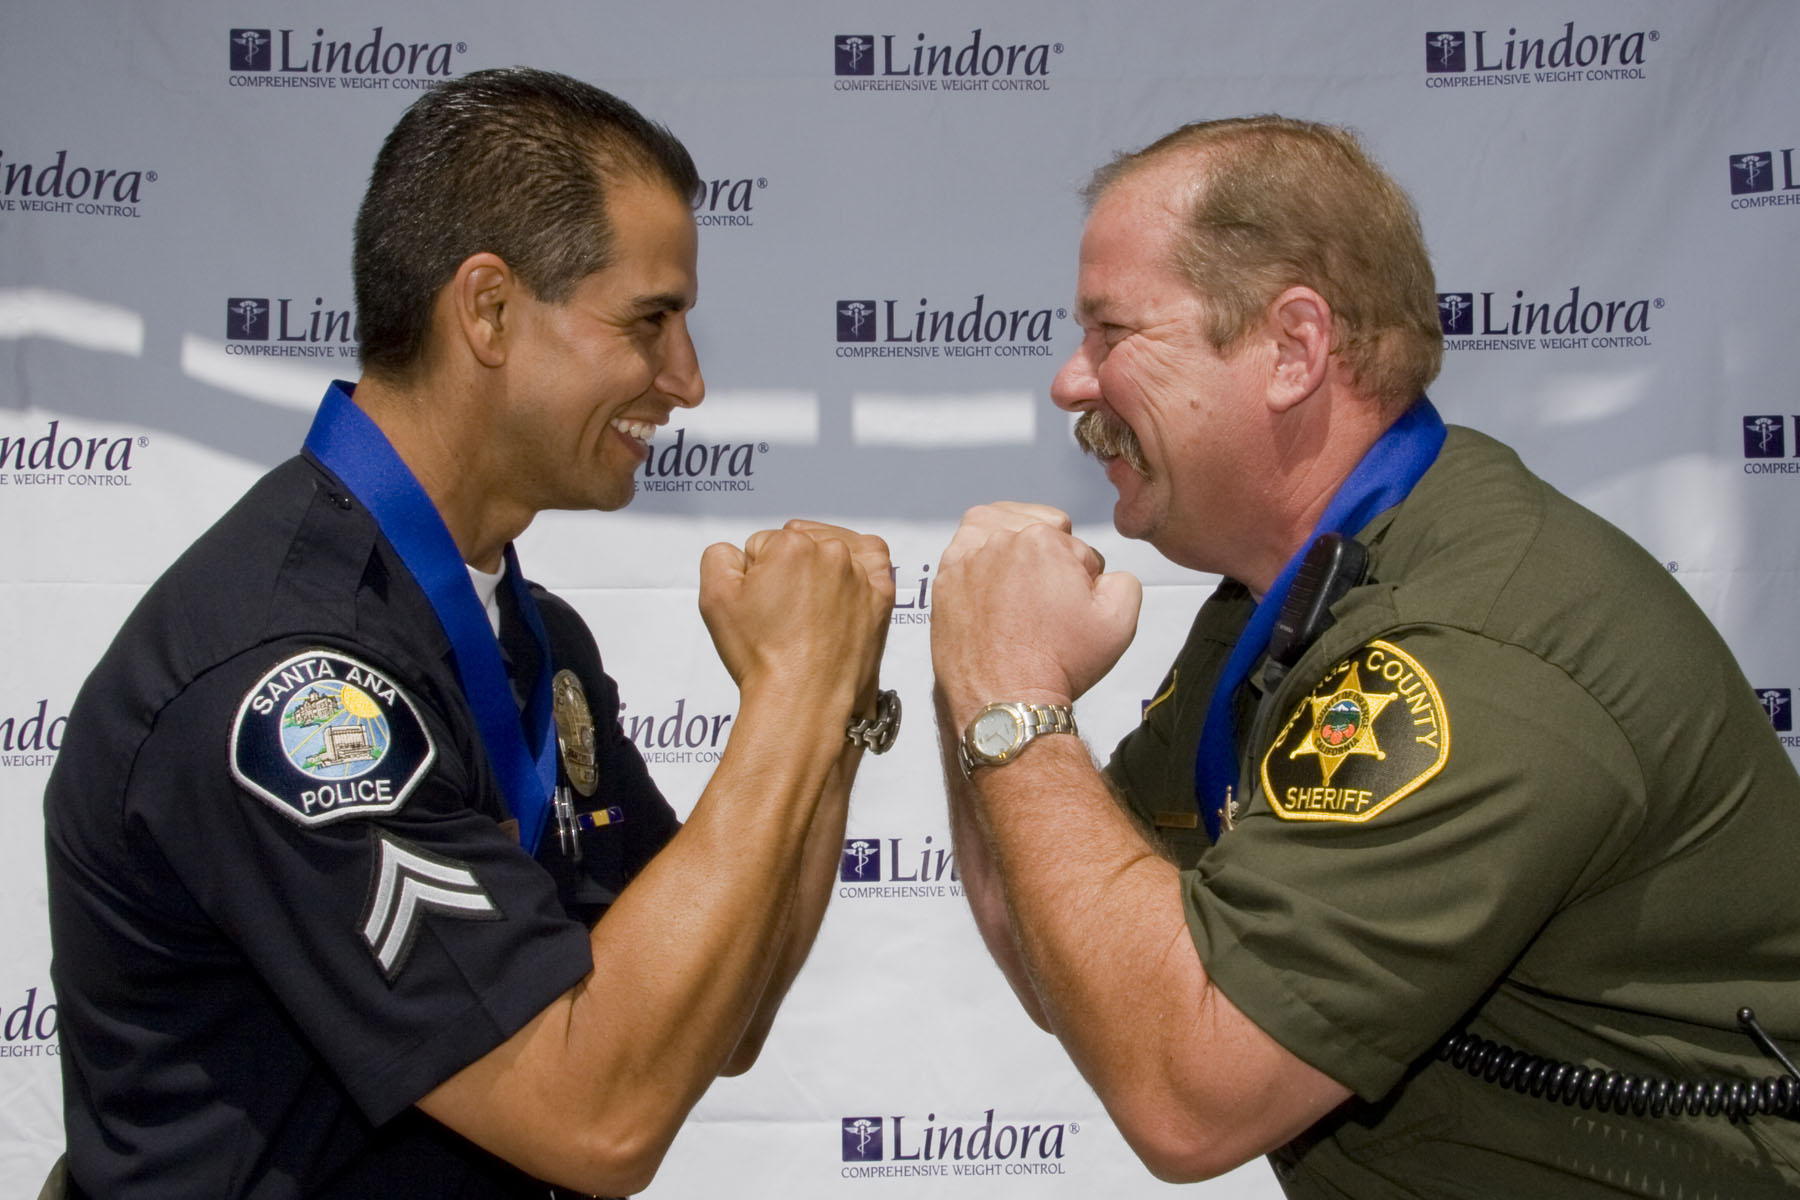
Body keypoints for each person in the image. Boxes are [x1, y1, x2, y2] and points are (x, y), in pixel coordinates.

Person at [44, 68, 897, 1198]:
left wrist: (829, 707)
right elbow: (596, 1117)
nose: (687, 381)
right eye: (650, 320)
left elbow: (718, 1016)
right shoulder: (297, 684)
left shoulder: (533, 638)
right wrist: (790, 695)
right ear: (487, 310)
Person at [929, 115, 1800, 1197]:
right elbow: (1067, 960)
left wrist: (1012, 694)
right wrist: (976, 681)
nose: (1072, 382)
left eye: (1113, 331)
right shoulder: (1289, 594)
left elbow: (1186, 1102)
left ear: (1294, 348)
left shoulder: (1470, 642)